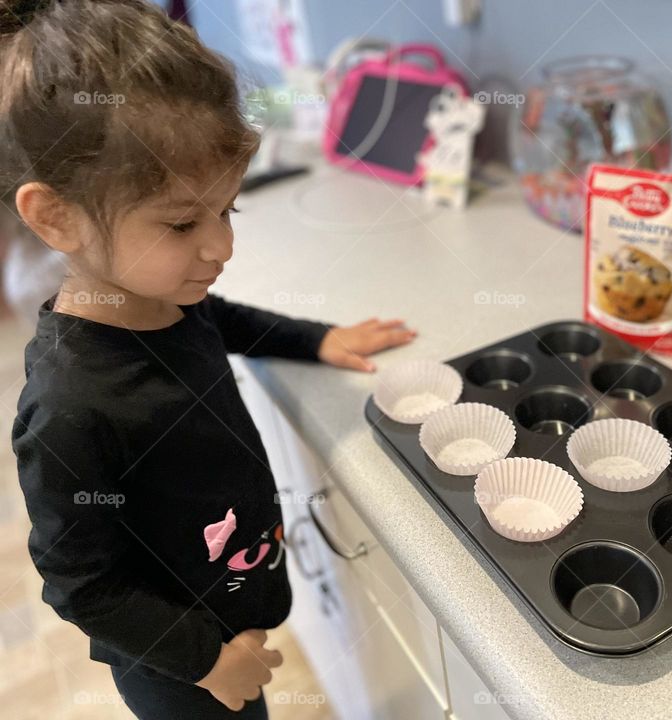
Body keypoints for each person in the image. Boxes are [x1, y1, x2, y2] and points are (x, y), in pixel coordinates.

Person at [1, 1, 416, 717]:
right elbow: (82, 583)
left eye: (229, 211)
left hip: (234, 600)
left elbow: (220, 320)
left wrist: (314, 339)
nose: (221, 247)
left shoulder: (166, 299)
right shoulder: (69, 409)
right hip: (177, 668)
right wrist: (207, 663)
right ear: (56, 217)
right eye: (183, 222)